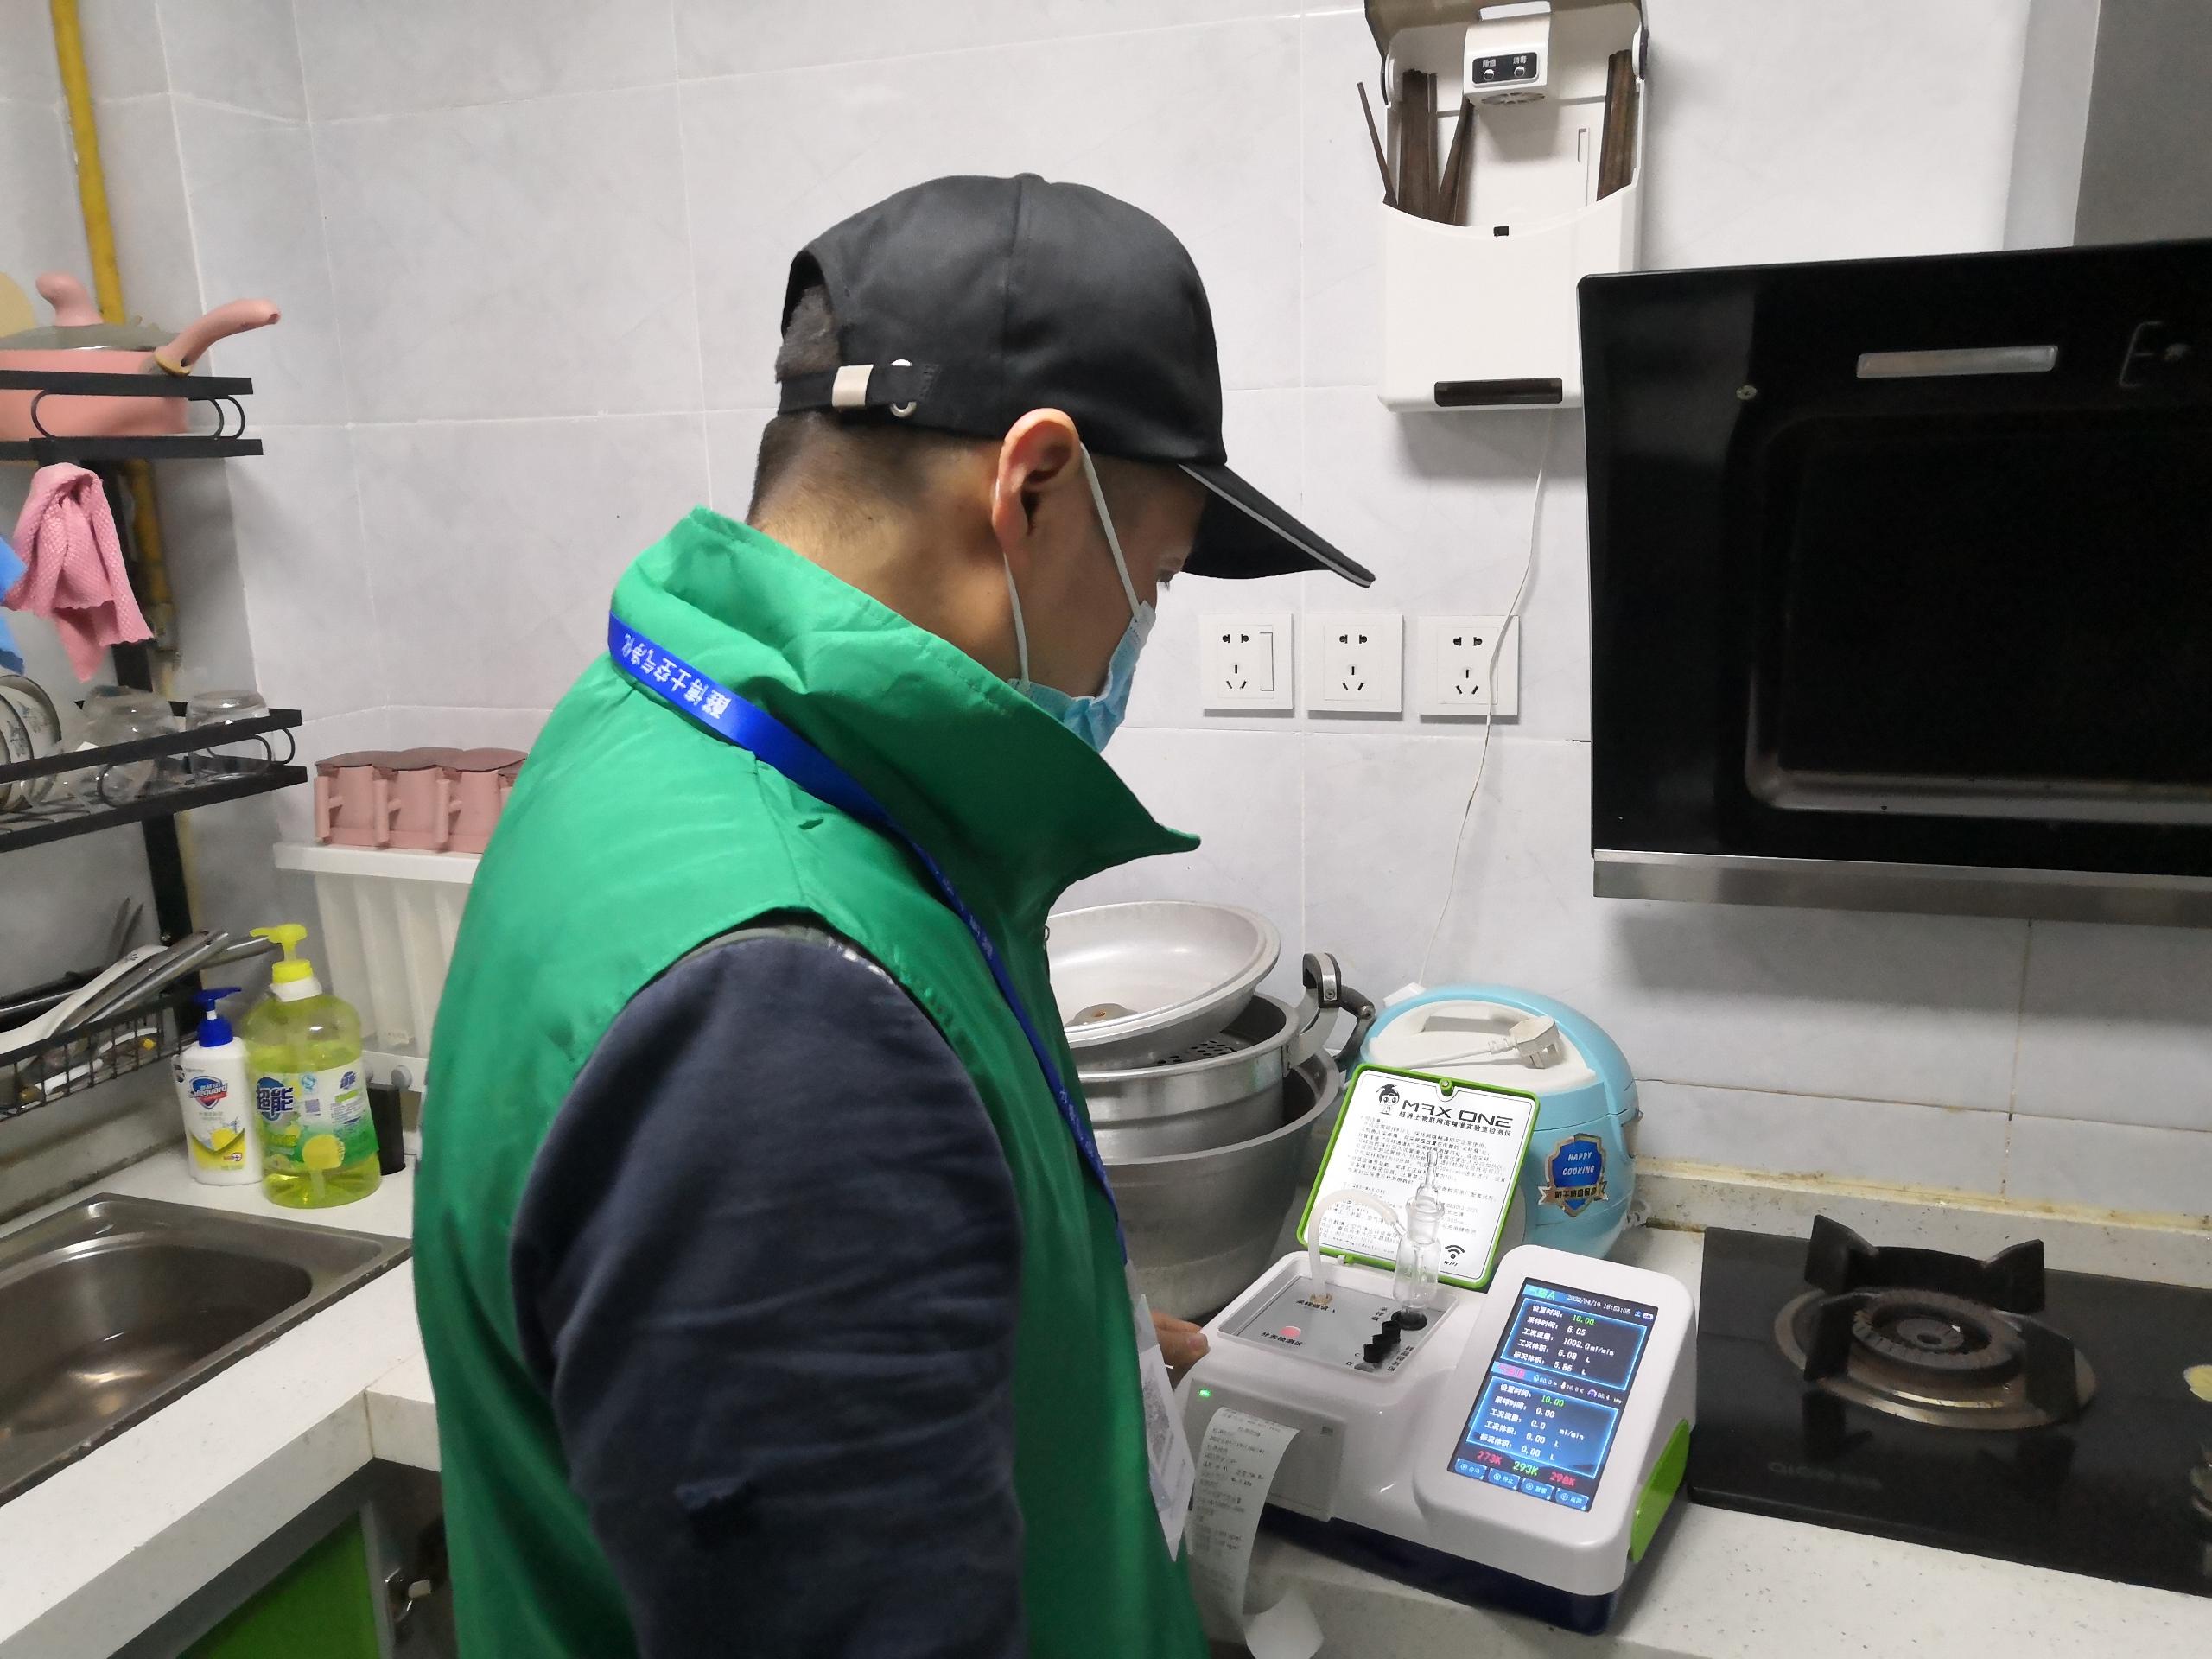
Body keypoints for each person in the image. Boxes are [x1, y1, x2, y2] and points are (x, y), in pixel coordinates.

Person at [413, 173, 1374, 1658]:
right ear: (1032, 487)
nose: (1136, 636)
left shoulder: (651, 737)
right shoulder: (784, 1015)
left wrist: (1070, 1355)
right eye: (1158, 577)